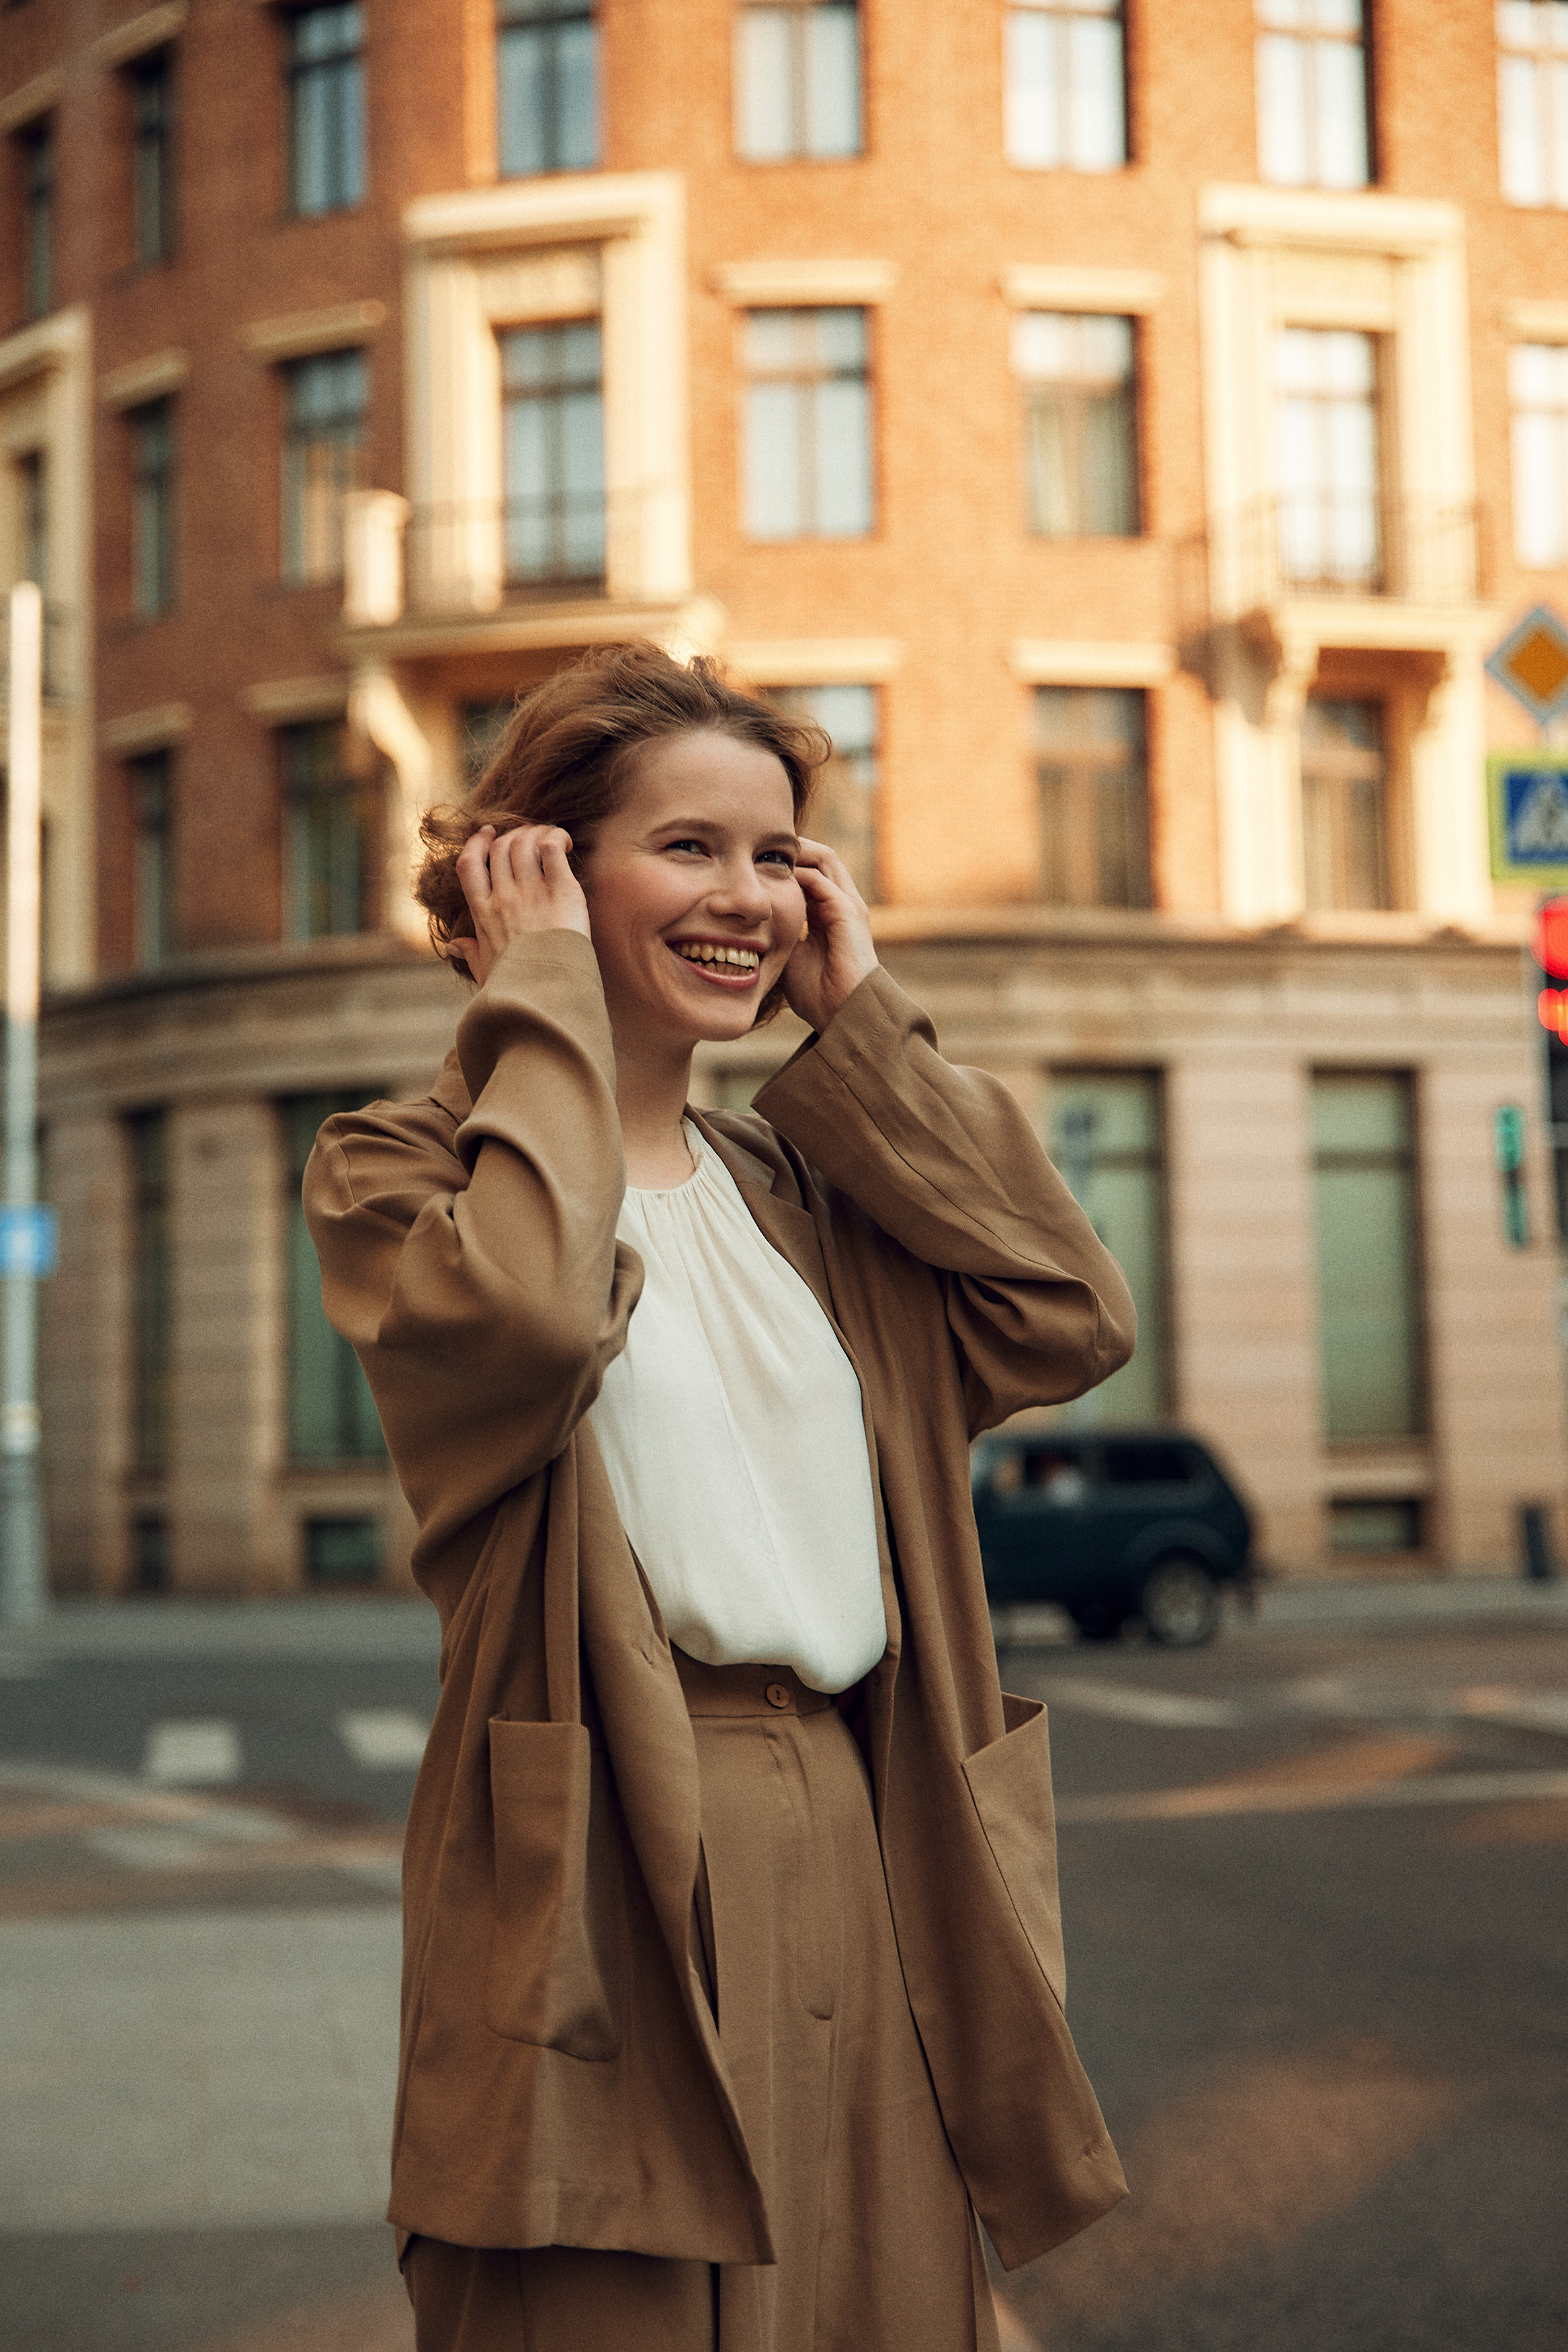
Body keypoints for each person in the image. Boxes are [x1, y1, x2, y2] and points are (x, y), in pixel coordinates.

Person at [303, 642, 1137, 2352]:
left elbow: (1071, 1310)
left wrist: (865, 1023)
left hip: (876, 1822)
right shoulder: (405, 1175)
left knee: (878, 2309)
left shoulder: (809, 1194)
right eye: (688, 847)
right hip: (615, 1849)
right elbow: (531, 1315)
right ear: (536, 866)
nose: (747, 896)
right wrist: (534, 1002)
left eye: (779, 854)